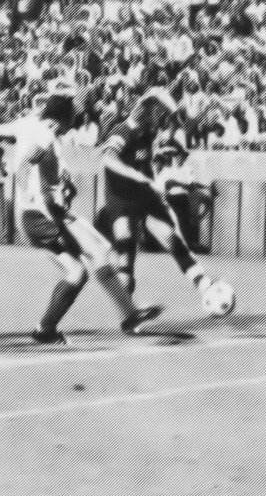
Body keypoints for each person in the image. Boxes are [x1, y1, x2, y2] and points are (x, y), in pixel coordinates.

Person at [9, 92, 160, 343]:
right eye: (73, 115)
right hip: (45, 214)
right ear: (62, 117)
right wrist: (28, 191)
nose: (76, 120)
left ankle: (45, 329)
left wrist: (65, 185)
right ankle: (129, 313)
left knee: (77, 273)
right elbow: (26, 163)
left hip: (33, 216)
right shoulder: (46, 136)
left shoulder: (35, 128)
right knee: (100, 250)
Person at [101, 89, 228, 326]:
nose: (161, 120)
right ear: (147, 109)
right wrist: (138, 177)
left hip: (145, 196)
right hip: (120, 199)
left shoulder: (148, 131)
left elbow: (147, 159)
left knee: (172, 239)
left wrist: (154, 180)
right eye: (159, 113)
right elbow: (108, 158)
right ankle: (128, 312)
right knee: (125, 245)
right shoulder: (123, 131)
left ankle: (204, 285)